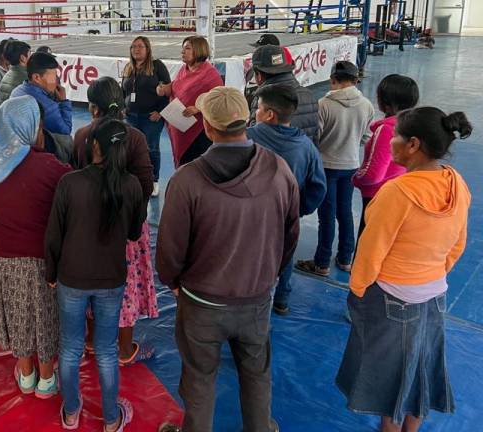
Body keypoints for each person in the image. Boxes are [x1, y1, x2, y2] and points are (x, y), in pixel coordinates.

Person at [156, 86, 298, 432]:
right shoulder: (278, 170)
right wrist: (269, 276)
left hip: (201, 302)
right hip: (256, 298)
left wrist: (174, 282)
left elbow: (170, 249)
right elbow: (290, 235)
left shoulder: (187, 180)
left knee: (199, 380)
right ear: (247, 120)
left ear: (207, 126)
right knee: (256, 374)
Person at [337, 107, 472, 432]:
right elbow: (458, 244)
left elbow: (371, 252)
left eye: (395, 136)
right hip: (434, 292)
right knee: (421, 368)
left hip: (391, 297)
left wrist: (358, 291)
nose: (390, 141)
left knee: (391, 382)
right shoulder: (456, 183)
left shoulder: (397, 192)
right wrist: (430, 273)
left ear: (412, 144)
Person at [46, 118, 144, 432]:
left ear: (95, 146)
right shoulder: (131, 185)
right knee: (105, 349)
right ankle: (111, 417)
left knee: (71, 347)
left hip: (71, 277)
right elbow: (133, 233)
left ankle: (72, 412)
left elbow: (54, 235)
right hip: (111, 279)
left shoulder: (70, 182)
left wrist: (51, 272)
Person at [0, 96, 71, 398]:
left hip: (5, 254)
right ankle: (47, 379)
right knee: (43, 315)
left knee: (18, 313)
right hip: (40, 257)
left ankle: (27, 373)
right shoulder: (49, 167)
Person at [73, 77, 157, 365]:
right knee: (125, 287)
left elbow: (75, 180)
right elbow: (146, 184)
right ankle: (123, 350)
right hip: (127, 231)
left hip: (89, 230)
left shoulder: (82, 135)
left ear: (93, 108)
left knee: (92, 284)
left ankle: (92, 341)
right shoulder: (135, 137)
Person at [247, 84, 326, 315]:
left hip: (251, 215)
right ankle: (281, 299)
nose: (255, 114)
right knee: (286, 254)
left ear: (270, 114)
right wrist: (299, 209)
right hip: (286, 215)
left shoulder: (250, 137)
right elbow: (318, 187)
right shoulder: (306, 147)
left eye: (259, 109)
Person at [296, 61, 374, 277]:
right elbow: (367, 136)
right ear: (355, 80)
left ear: (333, 80)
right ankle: (345, 258)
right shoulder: (366, 104)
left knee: (326, 215)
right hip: (351, 165)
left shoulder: (323, 104)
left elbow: (315, 136)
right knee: (345, 211)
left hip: (327, 166)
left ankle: (322, 263)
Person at [352, 74, 418, 238]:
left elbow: (373, 174)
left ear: (386, 104)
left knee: (367, 241)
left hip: (376, 195)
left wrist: (355, 178)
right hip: (396, 191)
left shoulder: (386, 129)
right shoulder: (412, 125)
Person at [156, 36, 223, 167]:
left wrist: (198, 108)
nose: (182, 52)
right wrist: (164, 89)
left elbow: (218, 100)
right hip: (180, 127)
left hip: (199, 133)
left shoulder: (211, 75)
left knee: (196, 169)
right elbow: (176, 86)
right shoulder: (184, 70)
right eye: (183, 48)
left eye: (187, 48)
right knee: (183, 167)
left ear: (198, 50)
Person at [122, 36, 171, 196]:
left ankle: (154, 180)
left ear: (147, 49)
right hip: (131, 117)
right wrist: (123, 107)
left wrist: (161, 112)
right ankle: (135, 178)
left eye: (140, 46)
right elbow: (124, 91)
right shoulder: (129, 68)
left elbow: (169, 90)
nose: (136, 49)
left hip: (151, 118)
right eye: (133, 46)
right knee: (132, 149)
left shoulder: (157, 66)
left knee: (152, 149)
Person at [248, 45, 318, 144]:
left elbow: (255, 140)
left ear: (258, 75)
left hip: (273, 159)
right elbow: (315, 138)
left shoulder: (263, 100)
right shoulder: (309, 96)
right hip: (303, 157)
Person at [11, 52, 73, 138]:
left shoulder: (16, 91)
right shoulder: (47, 106)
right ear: (37, 78)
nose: (57, 79)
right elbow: (65, 131)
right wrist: (64, 102)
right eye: (54, 75)